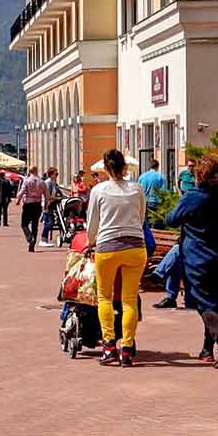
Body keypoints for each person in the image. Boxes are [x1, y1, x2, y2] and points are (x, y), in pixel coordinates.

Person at [168, 157, 218, 367]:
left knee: (204, 302)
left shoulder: (194, 197)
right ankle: (206, 349)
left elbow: (171, 219)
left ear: (200, 176)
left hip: (199, 258)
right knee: (216, 303)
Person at [86, 149, 148, 366]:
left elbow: (92, 223)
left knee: (105, 297)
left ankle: (109, 346)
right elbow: (141, 217)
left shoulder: (99, 190)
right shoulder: (137, 188)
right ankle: (127, 349)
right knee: (129, 300)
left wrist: (90, 241)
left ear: (106, 168)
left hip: (107, 247)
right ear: (125, 167)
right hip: (135, 247)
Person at [18, 167, 46, 252]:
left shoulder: (27, 181)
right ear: (36, 171)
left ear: (29, 171)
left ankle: (30, 238)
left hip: (28, 204)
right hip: (37, 204)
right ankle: (32, 245)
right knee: (35, 225)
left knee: (24, 224)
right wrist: (46, 205)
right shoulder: (42, 182)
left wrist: (18, 199)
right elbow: (47, 195)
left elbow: (22, 191)